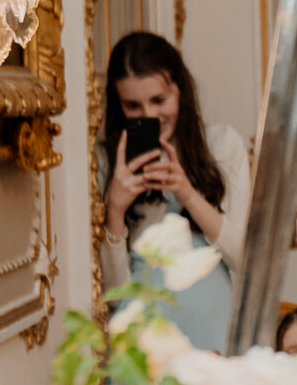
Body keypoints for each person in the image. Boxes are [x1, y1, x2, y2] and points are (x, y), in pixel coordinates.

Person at [102, 32, 248, 350]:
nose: (150, 115)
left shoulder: (222, 146)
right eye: (133, 106)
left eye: (159, 100)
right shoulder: (106, 162)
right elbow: (114, 293)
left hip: (212, 327)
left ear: (180, 91)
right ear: (119, 105)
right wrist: (115, 211)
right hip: (145, 337)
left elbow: (244, 258)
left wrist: (188, 195)